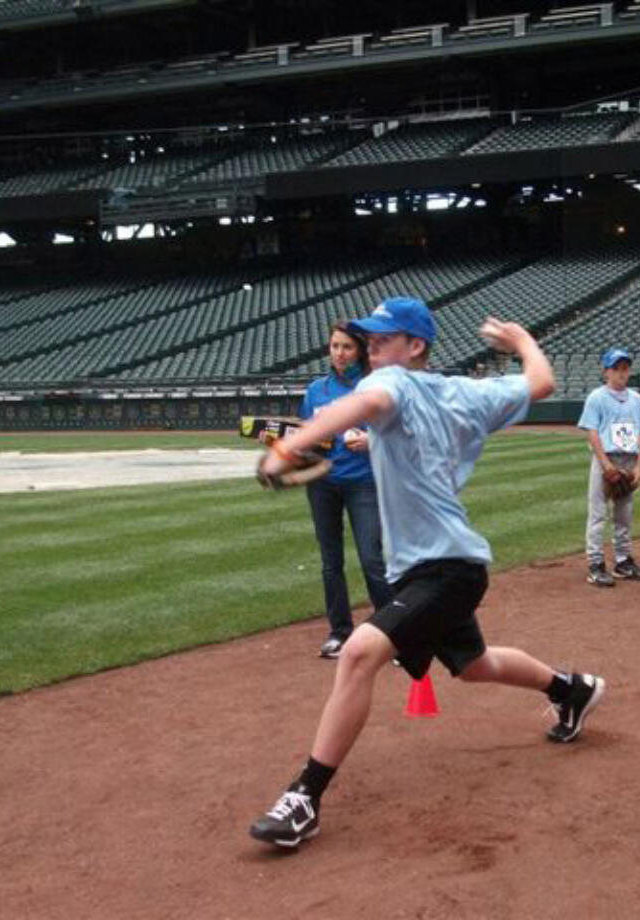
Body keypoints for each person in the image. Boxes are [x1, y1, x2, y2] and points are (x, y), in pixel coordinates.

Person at [248, 296, 606, 849]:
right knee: (473, 665)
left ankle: (305, 798)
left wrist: (288, 446)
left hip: (444, 570)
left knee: (359, 651)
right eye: (367, 340)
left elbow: (365, 401)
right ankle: (570, 688)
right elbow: (540, 383)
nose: (371, 349)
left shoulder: (393, 385)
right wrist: (521, 341)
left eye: (382, 340)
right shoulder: (464, 391)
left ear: (415, 346)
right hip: (443, 565)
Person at [299, 323, 394, 658]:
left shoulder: (374, 389)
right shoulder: (316, 390)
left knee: (372, 559)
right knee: (331, 562)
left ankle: (391, 634)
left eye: (347, 347)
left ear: (361, 351)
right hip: (323, 483)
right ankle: (339, 632)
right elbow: (309, 436)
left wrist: (371, 441)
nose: (339, 353)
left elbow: (396, 434)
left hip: (364, 482)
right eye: (334, 347)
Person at [578, 347, 640, 587]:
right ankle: (596, 564)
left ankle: (623, 561)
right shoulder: (597, 397)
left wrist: (639, 467)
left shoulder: (637, 398)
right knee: (598, 513)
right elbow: (592, 432)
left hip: (628, 460)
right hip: (606, 459)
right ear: (606, 371)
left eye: (625, 368)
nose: (621, 373)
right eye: (615, 368)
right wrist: (606, 465)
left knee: (624, 514)